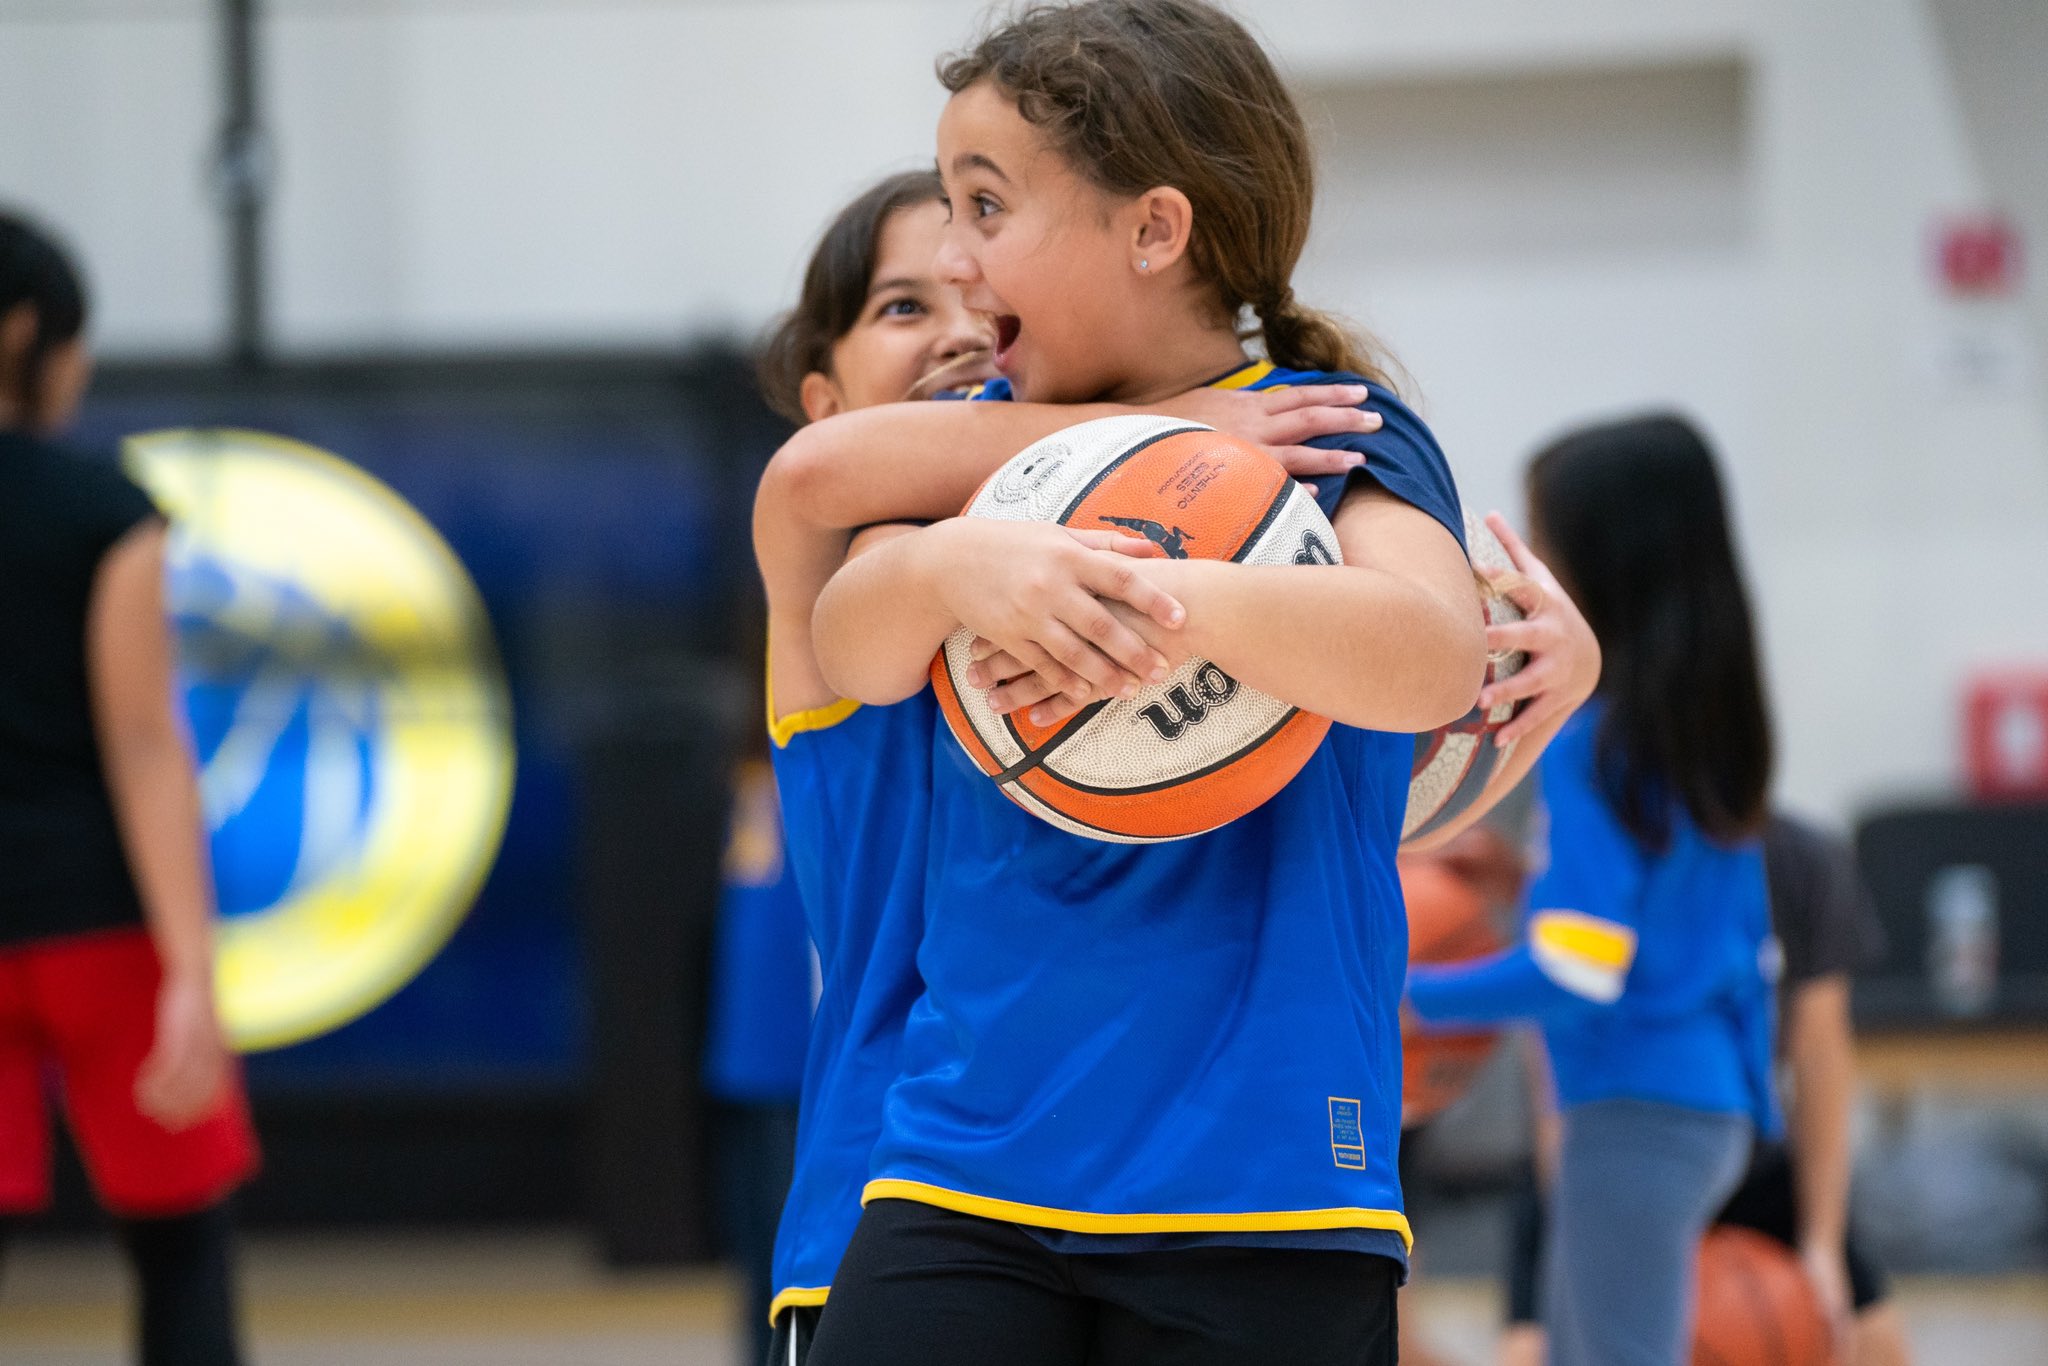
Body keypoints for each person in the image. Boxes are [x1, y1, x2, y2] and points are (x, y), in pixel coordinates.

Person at [756, 3, 1597, 1360]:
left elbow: (1427, 652)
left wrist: (1166, 598)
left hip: (1260, 1177)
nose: (961, 264)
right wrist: (962, 570)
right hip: (962, 1160)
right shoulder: (982, 451)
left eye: (986, 206)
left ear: (1153, 230)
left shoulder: (1335, 432)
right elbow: (849, 619)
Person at [750, 167, 1389, 1366]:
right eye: (898, 309)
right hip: (886, 1197)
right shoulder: (871, 570)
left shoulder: (1095, 540)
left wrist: (1513, 709)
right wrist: (1177, 425)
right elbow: (809, 487)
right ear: (825, 395)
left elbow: (1302, 810)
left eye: (967, 301)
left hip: (1094, 1170)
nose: (952, 326)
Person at [1407, 412, 1781, 1366]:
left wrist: (1399, 997)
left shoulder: (1592, 741)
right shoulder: (1704, 736)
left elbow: (1580, 974)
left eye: (1540, 536)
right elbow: (1724, 943)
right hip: (1706, 1105)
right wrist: (1527, 880)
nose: (1520, 568)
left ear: (1601, 562)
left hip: (1636, 1113)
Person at [0, 211, 258, 1365]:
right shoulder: (104, 510)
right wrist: (191, 974)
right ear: (22, 332)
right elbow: (144, 745)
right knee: (179, 1240)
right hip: (100, 927)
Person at [1496, 811, 1912, 1366]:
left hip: (1745, 1155)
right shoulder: (1587, 854)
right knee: (1535, 1352)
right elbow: (1551, 1067)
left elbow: (1822, 1059)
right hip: (1611, 1157)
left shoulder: (1799, 859)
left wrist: (1822, 1242)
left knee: (1870, 1343)